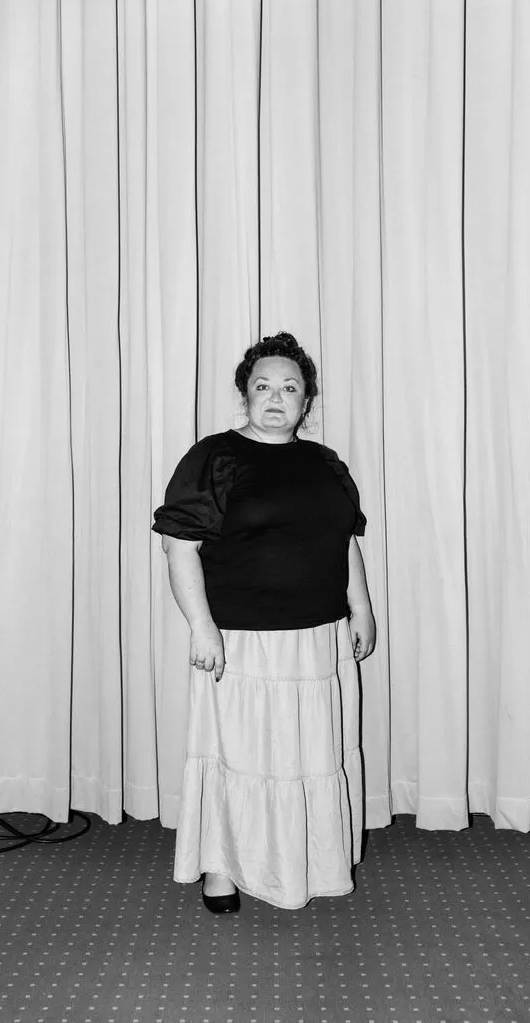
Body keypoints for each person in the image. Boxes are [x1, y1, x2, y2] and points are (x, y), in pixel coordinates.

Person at [151, 332, 376, 913]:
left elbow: (344, 542)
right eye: (263, 386)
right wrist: (202, 627)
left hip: (317, 639)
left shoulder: (325, 464)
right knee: (239, 759)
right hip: (242, 641)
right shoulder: (215, 457)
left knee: (307, 760)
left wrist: (361, 608)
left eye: (290, 388)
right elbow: (179, 547)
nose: (276, 398)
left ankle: (305, 863)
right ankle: (221, 868)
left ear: (307, 400)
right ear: (245, 394)